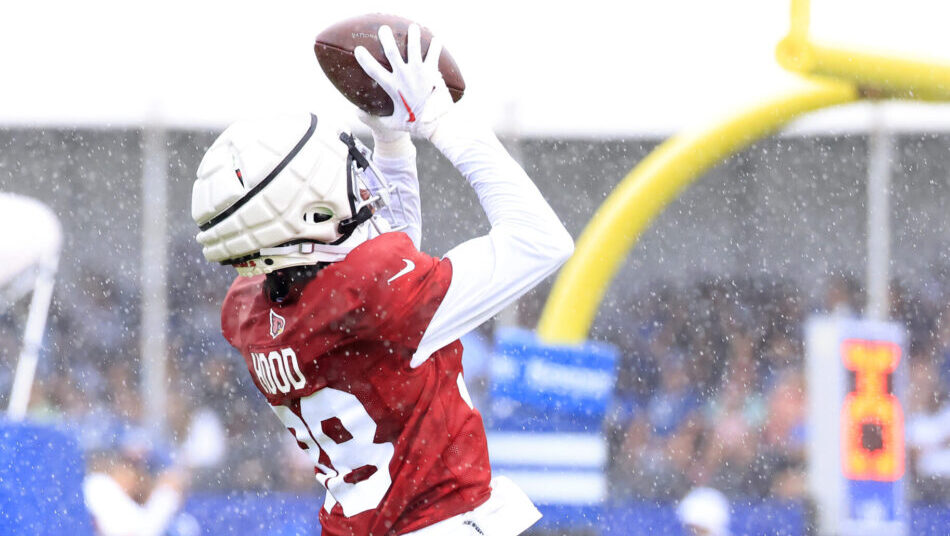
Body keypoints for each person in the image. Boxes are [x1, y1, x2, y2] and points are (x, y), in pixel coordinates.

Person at [190, 23, 573, 536]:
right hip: (445, 522)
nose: (353, 172)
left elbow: (387, 269)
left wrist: (392, 141)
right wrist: (441, 122)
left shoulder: (250, 310)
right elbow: (542, 240)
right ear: (302, 215)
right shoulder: (375, 296)